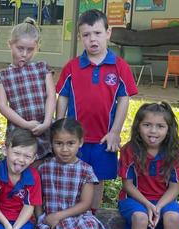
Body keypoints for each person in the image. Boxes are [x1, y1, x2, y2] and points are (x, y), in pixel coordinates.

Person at [56, 9, 137, 211]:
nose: (92, 39)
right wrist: (59, 127)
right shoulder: (72, 67)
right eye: (86, 35)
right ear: (80, 38)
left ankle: (92, 216)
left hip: (104, 138)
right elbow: (63, 96)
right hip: (75, 138)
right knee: (72, 176)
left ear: (108, 33)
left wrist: (115, 132)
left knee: (97, 179)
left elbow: (124, 99)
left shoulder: (120, 66)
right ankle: (71, 216)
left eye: (98, 33)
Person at [0, 18, 55, 164]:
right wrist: (25, 124)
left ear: (37, 47)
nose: (24, 54)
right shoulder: (3, 76)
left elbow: (51, 96)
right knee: (22, 166)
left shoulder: (42, 68)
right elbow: (3, 106)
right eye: (20, 48)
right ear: (10, 44)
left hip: (44, 128)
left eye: (30, 50)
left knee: (44, 167)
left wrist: (47, 122)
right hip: (19, 131)